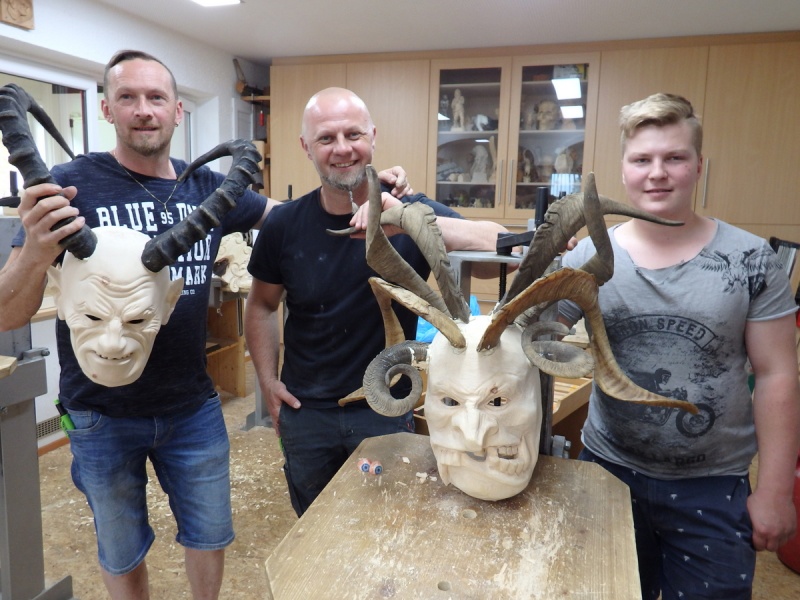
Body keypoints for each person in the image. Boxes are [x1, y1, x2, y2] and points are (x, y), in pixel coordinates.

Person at [0, 52, 410, 600]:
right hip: (100, 414)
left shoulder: (210, 190)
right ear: (106, 109)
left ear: (177, 111)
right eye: (127, 98)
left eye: (156, 98)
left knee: (209, 535)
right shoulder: (68, 187)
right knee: (120, 547)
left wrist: (370, 188)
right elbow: (7, 314)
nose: (144, 111)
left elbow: (304, 216)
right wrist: (33, 250)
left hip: (193, 406)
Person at [558, 92, 800, 600]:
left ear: (699, 166)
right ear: (623, 169)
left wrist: (776, 491)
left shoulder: (752, 260)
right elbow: (533, 334)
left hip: (712, 485)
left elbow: (777, 374)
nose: (657, 173)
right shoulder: (588, 257)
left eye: (674, 158)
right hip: (607, 473)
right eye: (642, 160)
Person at [244, 87, 509, 516]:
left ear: (373, 136)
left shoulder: (411, 212)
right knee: (314, 528)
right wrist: (267, 382)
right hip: (305, 413)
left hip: (386, 409)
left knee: (384, 526)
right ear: (306, 147)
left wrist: (407, 220)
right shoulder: (284, 224)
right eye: (326, 138)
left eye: (353, 134)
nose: (342, 149)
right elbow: (261, 305)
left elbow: (507, 248)